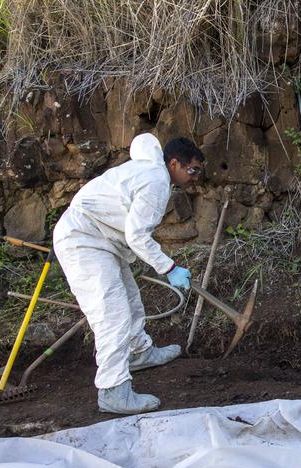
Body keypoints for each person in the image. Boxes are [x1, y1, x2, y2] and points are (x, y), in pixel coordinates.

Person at [53, 133, 204, 414]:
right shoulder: (157, 181)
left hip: (101, 239)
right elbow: (136, 235)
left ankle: (138, 353)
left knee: (131, 300)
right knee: (113, 315)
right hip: (84, 240)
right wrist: (169, 268)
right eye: (192, 170)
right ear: (174, 164)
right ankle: (113, 391)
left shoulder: (149, 172)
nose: (194, 177)